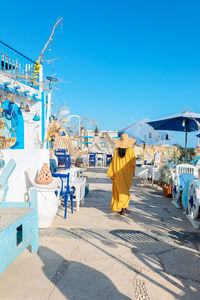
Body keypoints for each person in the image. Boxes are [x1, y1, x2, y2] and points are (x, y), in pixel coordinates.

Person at [107, 134, 136, 215]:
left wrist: (111, 174)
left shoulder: (116, 151)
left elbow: (113, 163)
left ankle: (122, 208)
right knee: (125, 191)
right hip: (127, 175)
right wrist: (132, 171)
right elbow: (133, 164)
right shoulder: (131, 151)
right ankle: (125, 206)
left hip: (118, 175)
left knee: (118, 191)